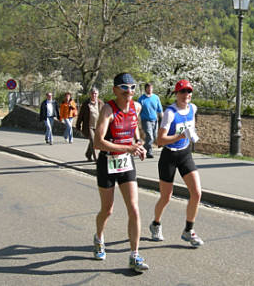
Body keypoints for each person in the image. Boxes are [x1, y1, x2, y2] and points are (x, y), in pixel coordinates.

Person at [93, 73, 149, 273]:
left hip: (125, 163)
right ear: (115, 90)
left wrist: (139, 145)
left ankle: (134, 255)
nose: (129, 92)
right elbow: (98, 142)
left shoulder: (137, 107)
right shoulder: (108, 109)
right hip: (107, 162)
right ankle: (99, 237)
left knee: (134, 208)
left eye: (133, 88)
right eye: (124, 88)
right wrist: (127, 148)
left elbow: (137, 132)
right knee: (107, 209)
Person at [149, 79, 203, 247]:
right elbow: (160, 140)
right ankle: (156, 224)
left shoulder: (193, 108)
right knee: (166, 197)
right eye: (182, 92)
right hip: (169, 156)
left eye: (188, 91)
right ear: (176, 94)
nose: (186, 95)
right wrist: (180, 136)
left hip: (185, 154)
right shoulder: (170, 113)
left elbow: (190, 126)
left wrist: (191, 134)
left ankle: (188, 230)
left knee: (196, 193)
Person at [76, 87, 104, 161]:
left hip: (98, 126)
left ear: (98, 94)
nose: (94, 95)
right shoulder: (86, 104)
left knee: (95, 141)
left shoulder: (101, 103)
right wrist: (78, 125)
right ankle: (96, 159)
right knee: (93, 141)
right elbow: (80, 115)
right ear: (90, 94)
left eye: (95, 93)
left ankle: (88, 154)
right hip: (89, 126)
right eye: (92, 93)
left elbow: (105, 114)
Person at [138, 82, 163, 158]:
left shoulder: (156, 98)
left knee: (154, 136)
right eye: (148, 88)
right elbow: (137, 110)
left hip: (155, 120)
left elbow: (160, 109)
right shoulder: (141, 99)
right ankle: (149, 152)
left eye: (151, 88)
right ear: (146, 89)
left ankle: (143, 148)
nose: (150, 89)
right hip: (146, 120)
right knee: (150, 137)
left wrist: (163, 119)